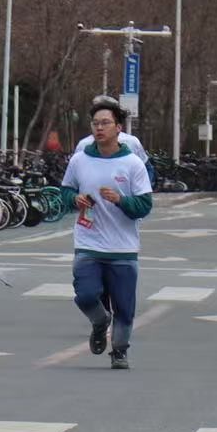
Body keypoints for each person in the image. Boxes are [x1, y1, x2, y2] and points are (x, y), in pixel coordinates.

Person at [59, 99, 153, 367]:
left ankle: (120, 350)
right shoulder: (80, 159)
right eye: (95, 123)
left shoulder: (133, 163)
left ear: (118, 128)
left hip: (123, 247)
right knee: (86, 294)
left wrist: (120, 200)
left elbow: (144, 205)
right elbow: (65, 191)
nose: (99, 128)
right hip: (88, 242)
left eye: (105, 123)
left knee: (124, 307)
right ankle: (100, 321)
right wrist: (74, 199)